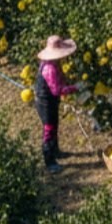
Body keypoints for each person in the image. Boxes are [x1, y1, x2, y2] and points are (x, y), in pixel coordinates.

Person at [33, 35, 84, 174]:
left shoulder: (53, 63)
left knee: (54, 125)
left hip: (50, 100)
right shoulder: (50, 68)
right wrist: (75, 87)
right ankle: (49, 161)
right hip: (45, 102)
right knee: (49, 130)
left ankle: (55, 151)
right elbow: (57, 90)